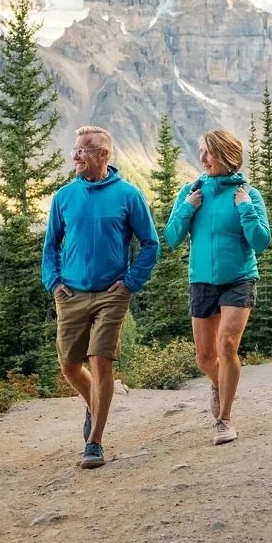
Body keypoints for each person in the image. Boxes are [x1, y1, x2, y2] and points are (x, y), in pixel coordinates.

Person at [42, 125, 160, 469]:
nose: (75, 156)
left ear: (103, 156)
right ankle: (94, 402)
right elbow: (50, 245)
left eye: (83, 151)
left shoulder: (128, 195)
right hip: (71, 293)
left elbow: (150, 244)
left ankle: (94, 442)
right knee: (69, 365)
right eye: (75, 150)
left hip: (112, 294)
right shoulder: (64, 196)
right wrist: (54, 283)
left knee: (101, 360)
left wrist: (129, 282)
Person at [164, 128, 271, 445]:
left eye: (208, 152)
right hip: (201, 282)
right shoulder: (191, 190)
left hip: (239, 279)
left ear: (227, 156)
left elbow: (261, 242)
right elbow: (171, 238)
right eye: (201, 151)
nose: (202, 158)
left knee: (227, 346)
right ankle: (218, 382)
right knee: (204, 358)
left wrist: (245, 208)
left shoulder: (248, 194)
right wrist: (187, 207)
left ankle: (224, 419)